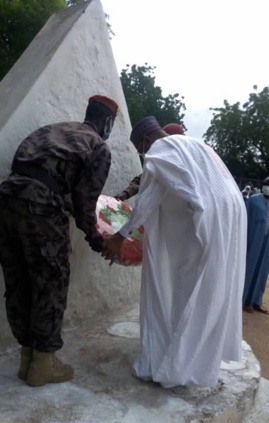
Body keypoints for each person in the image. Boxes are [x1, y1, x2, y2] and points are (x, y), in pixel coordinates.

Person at [102, 116, 247, 387]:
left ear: (145, 141)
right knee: (210, 291)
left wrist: (120, 236)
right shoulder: (195, 146)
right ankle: (201, 363)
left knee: (188, 292)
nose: (143, 154)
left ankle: (175, 368)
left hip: (210, 222)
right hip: (230, 219)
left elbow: (149, 198)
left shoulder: (162, 150)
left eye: (140, 149)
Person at [0, 95, 119, 387]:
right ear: (108, 122)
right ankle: (43, 363)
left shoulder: (51, 130)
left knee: (18, 282)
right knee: (51, 282)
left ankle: (27, 356)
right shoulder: (97, 147)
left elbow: (35, 172)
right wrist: (96, 239)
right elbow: (84, 202)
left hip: (6, 200)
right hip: (39, 206)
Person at [115, 122, 184, 201]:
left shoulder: (169, 157)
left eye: (141, 151)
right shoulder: (159, 161)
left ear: (147, 141)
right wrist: (126, 193)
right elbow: (143, 178)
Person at [243, 177, 269, 315]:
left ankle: (256, 301)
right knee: (250, 269)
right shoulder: (253, 200)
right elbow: (245, 220)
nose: (267, 187)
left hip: (267, 243)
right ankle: (245, 300)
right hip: (254, 239)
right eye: (266, 185)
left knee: (263, 272)